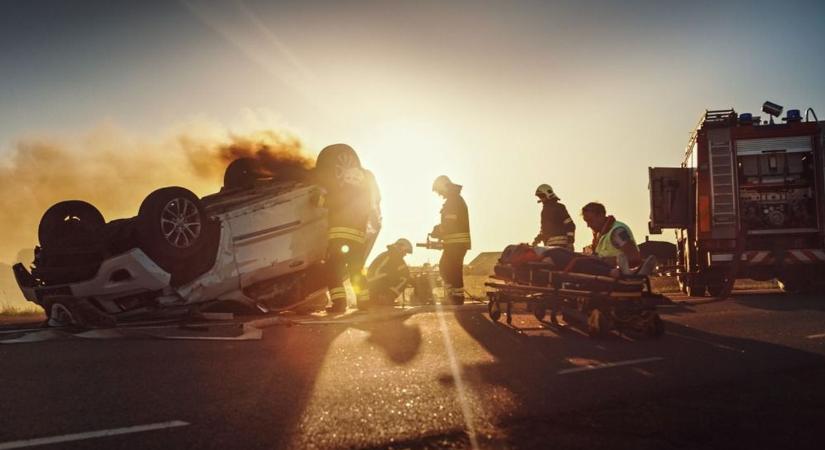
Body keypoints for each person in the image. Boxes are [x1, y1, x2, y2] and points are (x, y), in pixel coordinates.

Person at [318, 144, 372, 313]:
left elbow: (321, 203)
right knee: (356, 272)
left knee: (333, 270)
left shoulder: (341, 192)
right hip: (358, 241)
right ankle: (364, 303)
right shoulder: (365, 197)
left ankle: (339, 304)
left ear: (347, 179)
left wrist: (319, 196)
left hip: (340, 240)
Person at [431, 175, 471, 305]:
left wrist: (437, 231)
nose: (439, 194)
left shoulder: (453, 201)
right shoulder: (455, 199)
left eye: (439, 190)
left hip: (456, 243)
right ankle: (455, 297)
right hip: (455, 243)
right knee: (450, 268)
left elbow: (449, 223)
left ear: (443, 187)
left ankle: (455, 298)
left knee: (448, 268)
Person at [581, 202, 641, 267]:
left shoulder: (617, 231)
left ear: (601, 215)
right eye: (586, 222)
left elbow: (634, 258)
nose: (588, 225)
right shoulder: (600, 236)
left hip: (620, 275)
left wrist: (605, 261)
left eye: (590, 220)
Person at [366, 238, 413, 306]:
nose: (405, 254)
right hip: (380, 288)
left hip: (371, 288)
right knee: (405, 278)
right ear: (401, 248)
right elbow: (405, 274)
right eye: (405, 251)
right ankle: (388, 297)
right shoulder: (395, 257)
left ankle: (383, 297)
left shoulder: (386, 254)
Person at [531, 184, 575, 250]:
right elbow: (545, 229)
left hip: (562, 247)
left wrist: (570, 242)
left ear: (548, 194)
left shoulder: (559, 207)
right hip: (550, 247)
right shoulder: (545, 210)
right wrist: (537, 240)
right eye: (540, 197)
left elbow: (570, 225)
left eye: (542, 196)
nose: (541, 198)